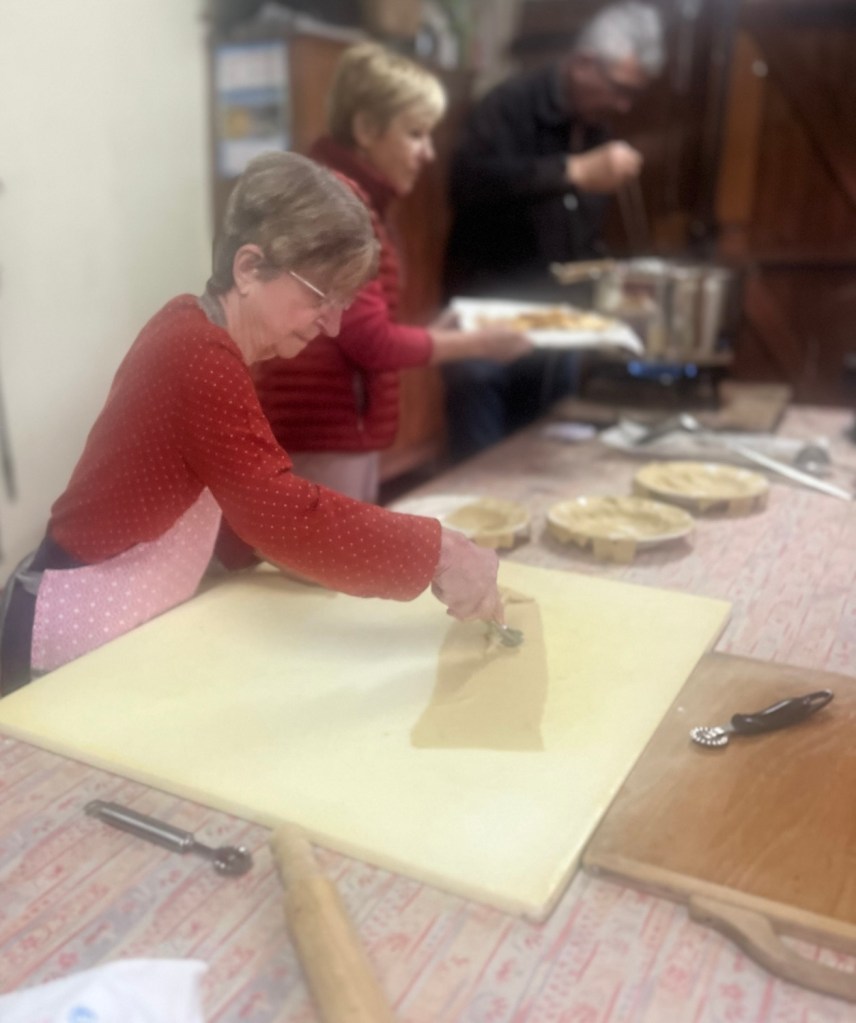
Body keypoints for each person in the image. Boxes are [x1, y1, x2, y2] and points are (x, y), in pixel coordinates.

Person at [0, 152, 504, 696]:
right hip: (63, 631)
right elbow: (279, 510)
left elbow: (222, 491)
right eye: (320, 297)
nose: (333, 326)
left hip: (117, 625)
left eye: (343, 304)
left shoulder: (207, 337)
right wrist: (438, 552)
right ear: (248, 268)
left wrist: (278, 554)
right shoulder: (197, 354)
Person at [252, 42, 531, 502]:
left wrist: (435, 333)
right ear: (366, 128)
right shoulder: (339, 209)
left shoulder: (336, 196)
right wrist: (481, 344)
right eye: (415, 134)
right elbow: (371, 343)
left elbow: (356, 330)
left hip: (322, 430)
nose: (428, 154)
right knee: (333, 550)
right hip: (323, 434)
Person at [441, 1, 665, 461]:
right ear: (584, 63)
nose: (623, 105)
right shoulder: (508, 103)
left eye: (633, 95)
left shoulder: (596, 126)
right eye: (619, 88)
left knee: (542, 459)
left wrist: (605, 275)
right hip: (491, 314)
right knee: (479, 466)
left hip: (557, 324)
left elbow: (576, 224)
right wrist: (572, 171)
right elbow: (468, 183)